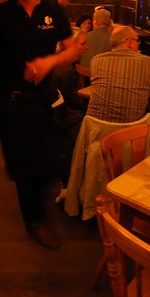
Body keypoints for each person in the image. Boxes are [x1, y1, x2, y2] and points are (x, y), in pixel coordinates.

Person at [0, 0, 82, 250]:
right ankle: (35, 221)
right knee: (23, 166)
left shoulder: (52, 10)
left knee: (49, 159)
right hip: (11, 100)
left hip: (44, 99)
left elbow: (72, 50)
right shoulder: (1, 13)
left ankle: (40, 207)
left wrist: (48, 62)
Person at [86, 25, 150, 124]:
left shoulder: (96, 60)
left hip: (95, 127)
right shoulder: (147, 62)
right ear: (129, 42)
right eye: (137, 41)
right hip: (131, 130)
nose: (138, 45)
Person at [50, 27, 89, 199]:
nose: (87, 47)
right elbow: (72, 102)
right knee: (84, 127)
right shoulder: (66, 70)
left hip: (54, 115)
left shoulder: (58, 62)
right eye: (83, 43)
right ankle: (71, 182)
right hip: (61, 118)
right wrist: (87, 108)